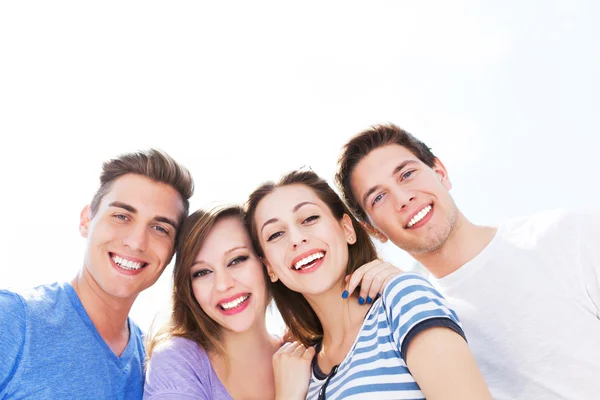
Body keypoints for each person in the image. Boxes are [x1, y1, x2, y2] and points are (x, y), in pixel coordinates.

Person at [334, 123, 600, 400]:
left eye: (407, 174)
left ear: (440, 172)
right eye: (378, 197)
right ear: (374, 230)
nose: (403, 198)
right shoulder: (414, 322)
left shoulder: (567, 236)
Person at [245, 169, 491, 400]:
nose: (297, 239)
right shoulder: (296, 371)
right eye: (275, 234)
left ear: (347, 229)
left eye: (309, 218)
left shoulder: (402, 299)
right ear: (269, 268)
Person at [143, 204, 400, 400]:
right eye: (202, 272)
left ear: (267, 264)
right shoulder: (178, 361)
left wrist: (394, 284)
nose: (223, 285)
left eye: (237, 260)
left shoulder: (309, 352)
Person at [0, 149, 194, 400]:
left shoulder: (154, 367)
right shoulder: (14, 321)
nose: (136, 242)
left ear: (173, 252)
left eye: (159, 228)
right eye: (122, 216)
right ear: (86, 220)